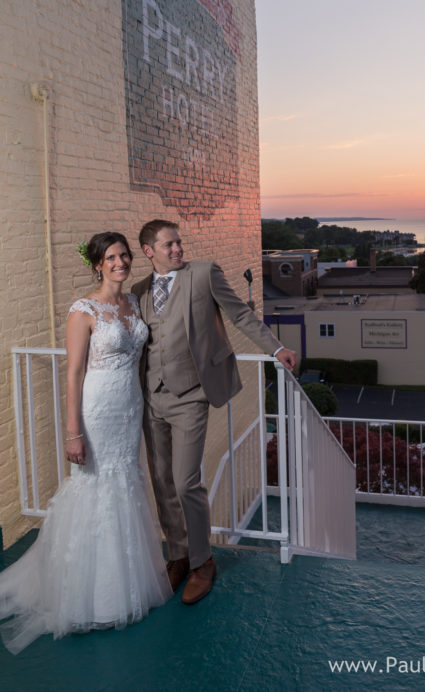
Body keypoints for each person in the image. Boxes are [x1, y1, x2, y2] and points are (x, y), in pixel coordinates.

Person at [0, 232, 172, 654]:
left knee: (125, 484)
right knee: (92, 485)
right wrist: (73, 431)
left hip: (129, 408)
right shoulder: (83, 310)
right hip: (97, 412)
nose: (120, 262)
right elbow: (73, 373)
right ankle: (87, 596)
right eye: (111, 257)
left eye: (124, 255)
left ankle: (123, 587)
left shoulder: (132, 302)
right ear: (97, 264)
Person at [133, 219, 296, 605]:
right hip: (151, 397)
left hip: (191, 394)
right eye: (169, 245)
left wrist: (275, 348)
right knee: (161, 481)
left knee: (186, 480)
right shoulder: (139, 291)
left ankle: (203, 562)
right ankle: (178, 555)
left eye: (179, 243)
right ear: (148, 251)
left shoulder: (204, 274)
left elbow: (239, 314)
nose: (178, 250)